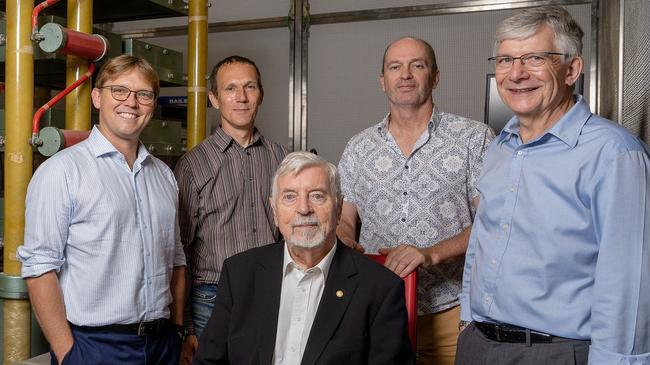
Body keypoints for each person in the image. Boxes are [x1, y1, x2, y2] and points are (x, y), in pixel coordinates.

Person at [457, 6, 650, 365]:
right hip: (478, 346)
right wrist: (468, 315)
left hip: (557, 353)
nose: (516, 74)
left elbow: (628, 284)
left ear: (571, 69)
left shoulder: (614, 154)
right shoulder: (500, 147)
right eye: (505, 60)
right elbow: (484, 241)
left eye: (534, 58)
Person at [17, 55, 186, 365]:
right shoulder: (62, 172)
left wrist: (176, 331)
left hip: (162, 346)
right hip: (94, 347)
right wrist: (69, 354)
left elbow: (175, 258)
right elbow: (40, 268)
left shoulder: (164, 175)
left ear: (152, 104)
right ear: (97, 97)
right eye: (119, 91)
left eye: (143, 95)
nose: (131, 103)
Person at [337, 36, 493, 365]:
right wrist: (343, 238)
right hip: (375, 308)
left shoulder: (473, 138)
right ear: (383, 81)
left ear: (435, 76)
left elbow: (492, 222)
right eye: (395, 67)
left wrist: (430, 254)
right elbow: (345, 216)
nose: (405, 74)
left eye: (417, 65)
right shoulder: (358, 148)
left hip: (451, 311)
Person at [192, 151, 414, 365]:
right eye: (290, 197)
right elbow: (209, 360)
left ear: (338, 208)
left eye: (317, 196)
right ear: (275, 211)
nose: (304, 208)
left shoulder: (380, 288)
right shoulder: (239, 273)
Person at [174, 55, 287, 363]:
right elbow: (179, 251)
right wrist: (187, 328)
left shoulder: (283, 158)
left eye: (250, 87)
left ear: (261, 94)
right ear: (214, 98)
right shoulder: (193, 164)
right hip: (211, 297)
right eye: (230, 88)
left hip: (273, 290)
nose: (241, 97)